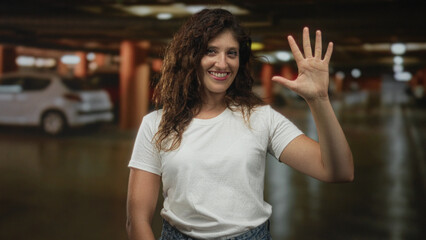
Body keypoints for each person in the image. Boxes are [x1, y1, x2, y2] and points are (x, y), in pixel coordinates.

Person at [126, 8, 353, 240]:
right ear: (190, 57)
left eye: (231, 53)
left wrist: (319, 100)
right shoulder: (156, 124)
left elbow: (338, 171)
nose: (222, 63)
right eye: (211, 51)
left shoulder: (261, 118)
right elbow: (137, 219)